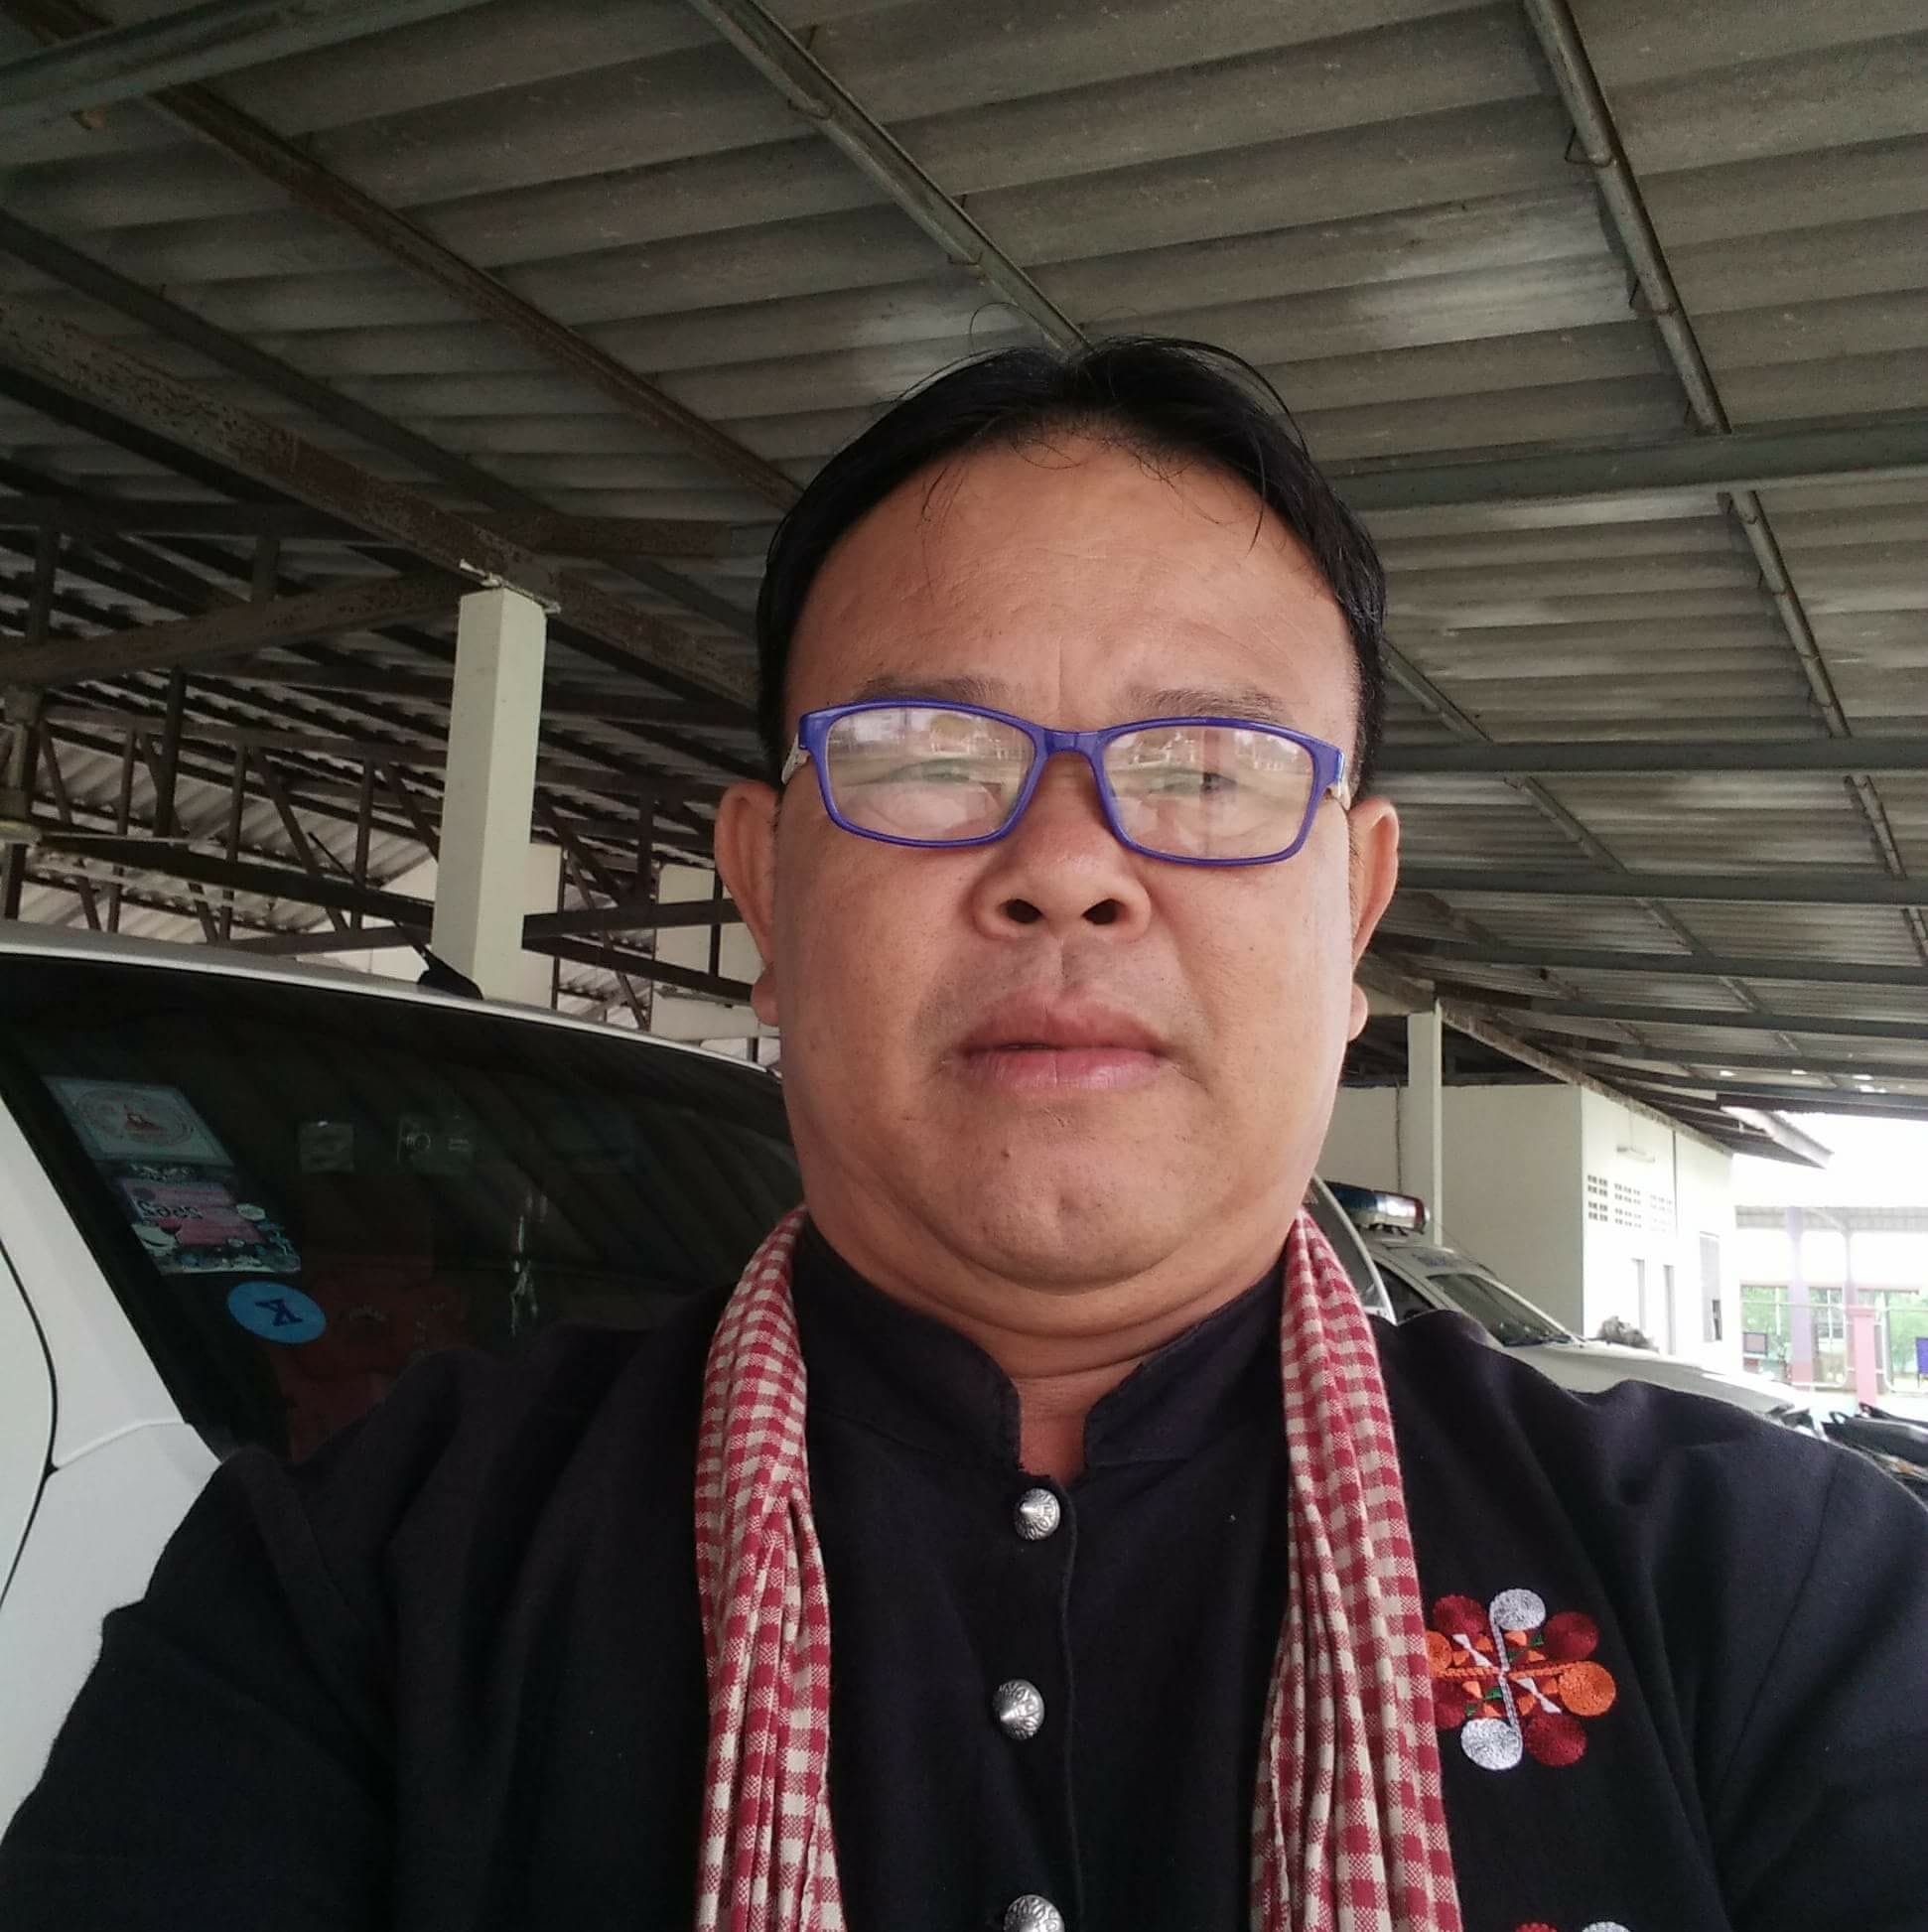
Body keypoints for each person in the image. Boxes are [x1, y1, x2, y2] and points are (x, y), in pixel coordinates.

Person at [2, 339, 1924, 1932]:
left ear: (1351, 910)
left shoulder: (1765, 1593)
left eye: (1204, 767)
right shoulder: (373, 1575)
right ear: (767, 884)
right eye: (929, 757)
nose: (1066, 868)